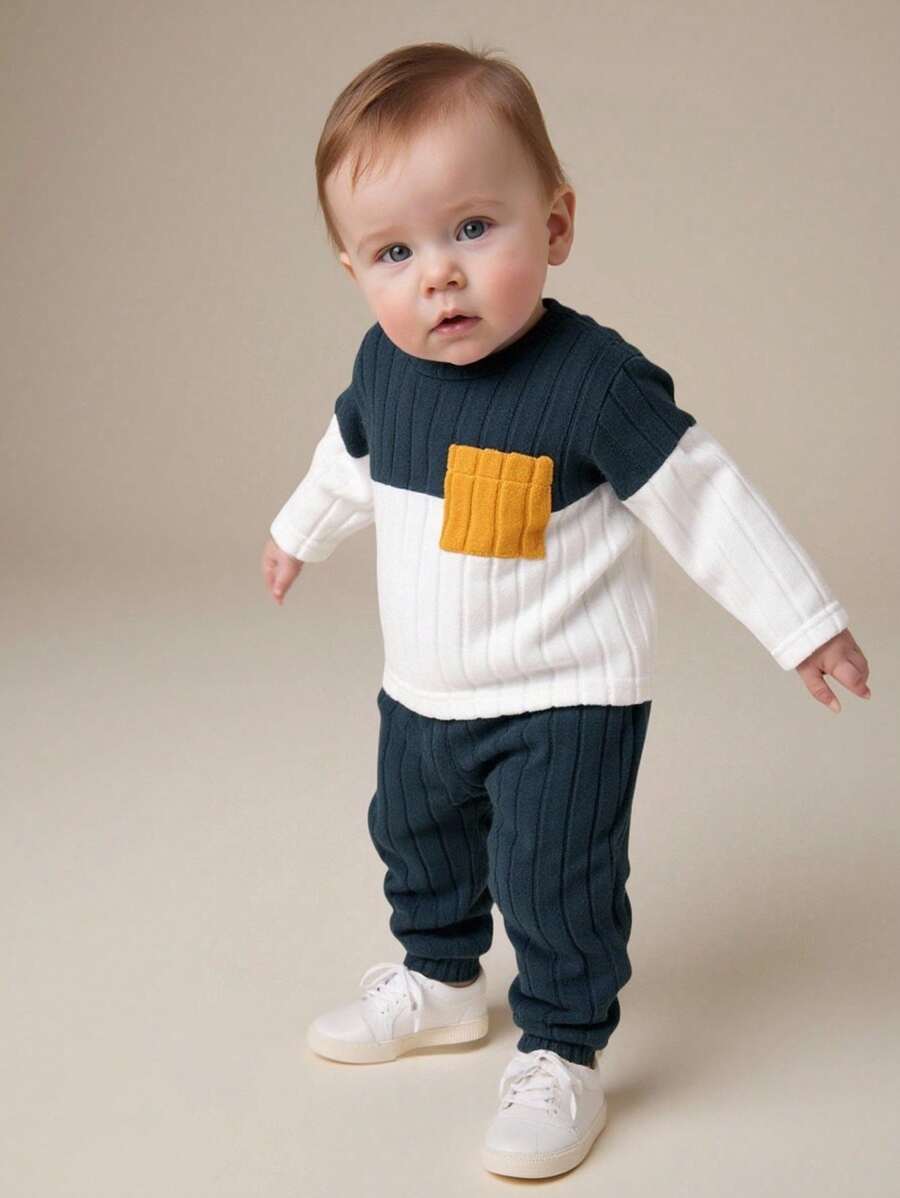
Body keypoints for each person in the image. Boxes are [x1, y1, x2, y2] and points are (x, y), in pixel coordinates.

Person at [260, 42, 872, 1180]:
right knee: (415, 836)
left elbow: (704, 499)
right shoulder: (384, 366)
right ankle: (441, 980)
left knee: (556, 879)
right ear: (354, 270)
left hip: (567, 696)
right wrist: (298, 530)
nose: (438, 277)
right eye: (395, 252)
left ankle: (562, 1049)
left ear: (556, 224)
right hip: (425, 688)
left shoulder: (592, 381)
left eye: (472, 228)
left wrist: (805, 623)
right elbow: (347, 455)